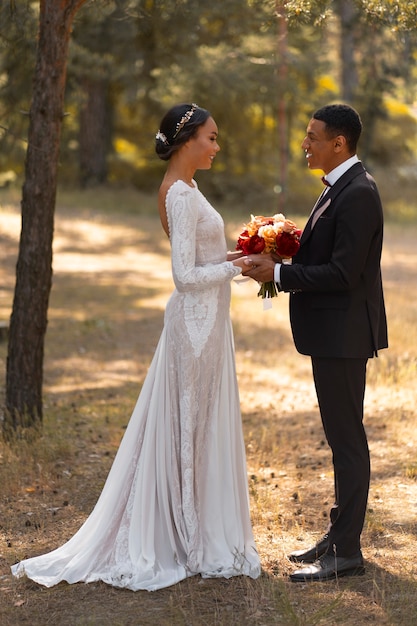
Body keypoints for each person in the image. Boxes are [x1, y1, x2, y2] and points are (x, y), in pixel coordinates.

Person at [11, 103, 261, 591]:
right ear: (187, 140)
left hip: (208, 324)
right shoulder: (180, 197)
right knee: (190, 424)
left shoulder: (189, 187)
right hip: (194, 326)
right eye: (211, 137)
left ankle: (194, 522)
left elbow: (202, 257)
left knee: (199, 424)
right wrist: (236, 269)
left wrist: (247, 254)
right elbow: (185, 277)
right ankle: (186, 533)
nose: (216, 145)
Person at [243, 103, 388, 582]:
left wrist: (281, 273)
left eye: (312, 136)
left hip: (345, 334)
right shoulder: (340, 187)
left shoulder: (359, 193)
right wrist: (280, 243)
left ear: (339, 143)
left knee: (347, 442)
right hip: (331, 333)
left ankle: (347, 552)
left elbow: (345, 273)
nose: (305, 143)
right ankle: (338, 536)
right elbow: (327, 251)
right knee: (340, 438)